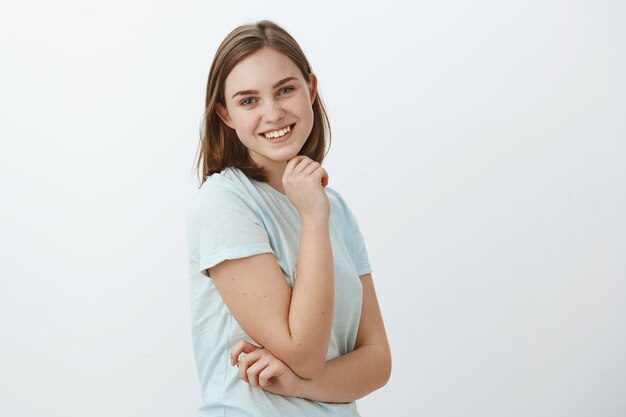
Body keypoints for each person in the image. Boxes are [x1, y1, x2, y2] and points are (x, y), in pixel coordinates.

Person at [187, 20, 391, 416]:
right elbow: (304, 351)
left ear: (310, 90)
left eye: (285, 90)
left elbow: (378, 361)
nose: (273, 112)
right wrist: (313, 216)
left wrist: (297, 383)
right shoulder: (225, 203)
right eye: (248, 101)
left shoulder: (339, 210)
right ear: (225, 115)